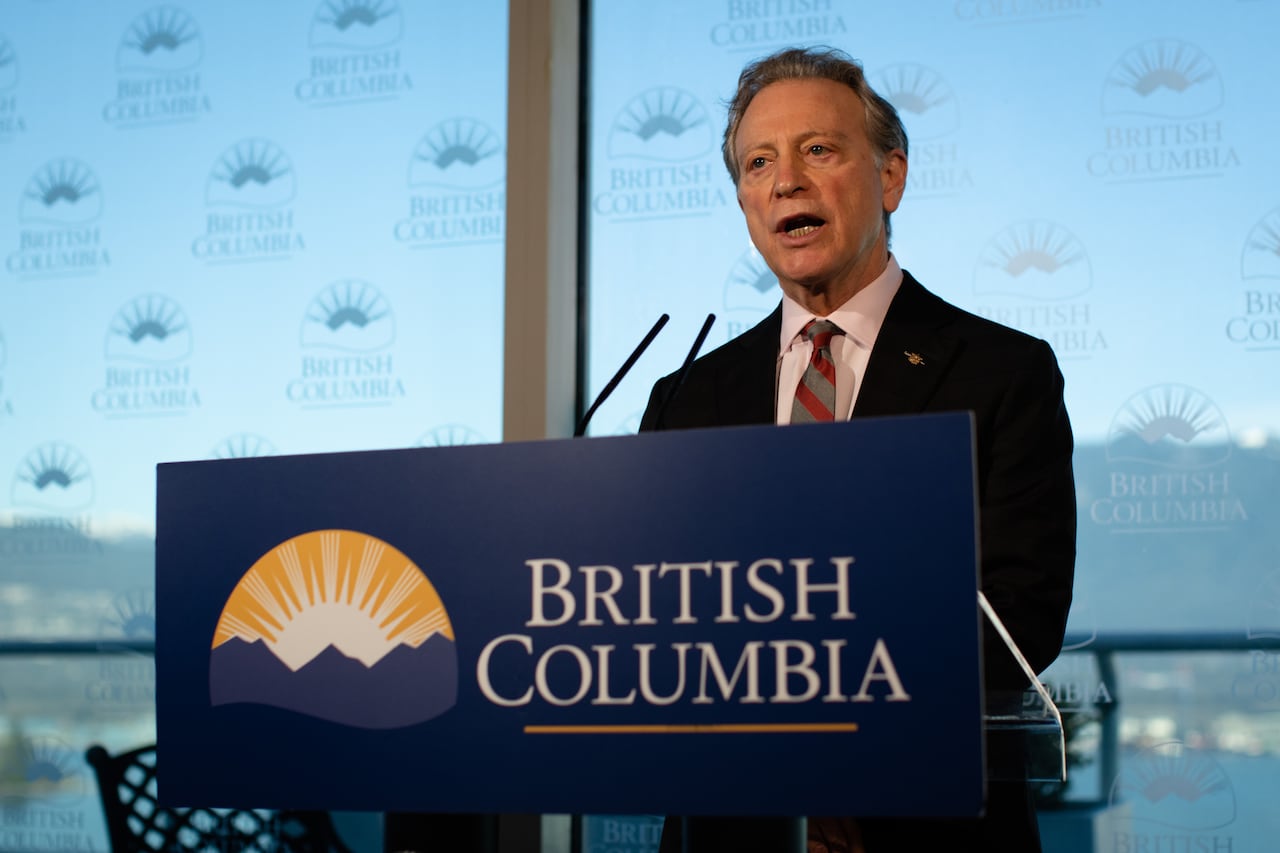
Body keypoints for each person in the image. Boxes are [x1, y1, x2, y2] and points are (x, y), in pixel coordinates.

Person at [640, 46, 1076, 853]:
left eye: (819, 150)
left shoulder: (1000, 373)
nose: (786, 181)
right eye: (758, 162)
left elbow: (1020, 611)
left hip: (925, 827)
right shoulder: (684, 399)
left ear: (891, 178)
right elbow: (654, 621)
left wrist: (836, 749)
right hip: (729, 828)